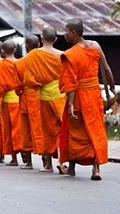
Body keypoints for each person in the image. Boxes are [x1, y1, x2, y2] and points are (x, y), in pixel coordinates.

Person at [59, 18, 115, 180]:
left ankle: (71, 167)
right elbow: (106, 68)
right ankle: (96, 169)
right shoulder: (95, 46)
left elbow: (71, 83)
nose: (64, 35)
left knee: (75, 132)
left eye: (66, 31)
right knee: (94, 129)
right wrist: (111, 87)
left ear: (74, 33)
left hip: (78, 96)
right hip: (94, 95)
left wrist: (69, 104)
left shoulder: (70, 54)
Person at [22, 26, 67, 172]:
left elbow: (28, 80)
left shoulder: (33, 55)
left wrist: (39, 83)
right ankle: (62, 159)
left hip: (44, 97)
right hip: (61, 96)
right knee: (62, 129)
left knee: (47, 131)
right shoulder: (63, 55)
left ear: (41, 38)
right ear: (55, 39)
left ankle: (48, 165)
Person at [0, 39, 22, 165]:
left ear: (2, 51)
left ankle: (14, 158)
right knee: (20, 129)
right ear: (15, 50)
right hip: (21, 99)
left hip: (7, 101)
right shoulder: (21, 63)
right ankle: (25, 153)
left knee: (8, 129)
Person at [14, 35, 40, 169]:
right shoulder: (46, 58)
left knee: (26, 131)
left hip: (26, 100)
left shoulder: (20, 63)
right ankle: (48, 163)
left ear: (26, 46)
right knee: (44, 130)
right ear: (39, 44)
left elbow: (17, 87)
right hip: (43, 98)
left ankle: (29, 163)